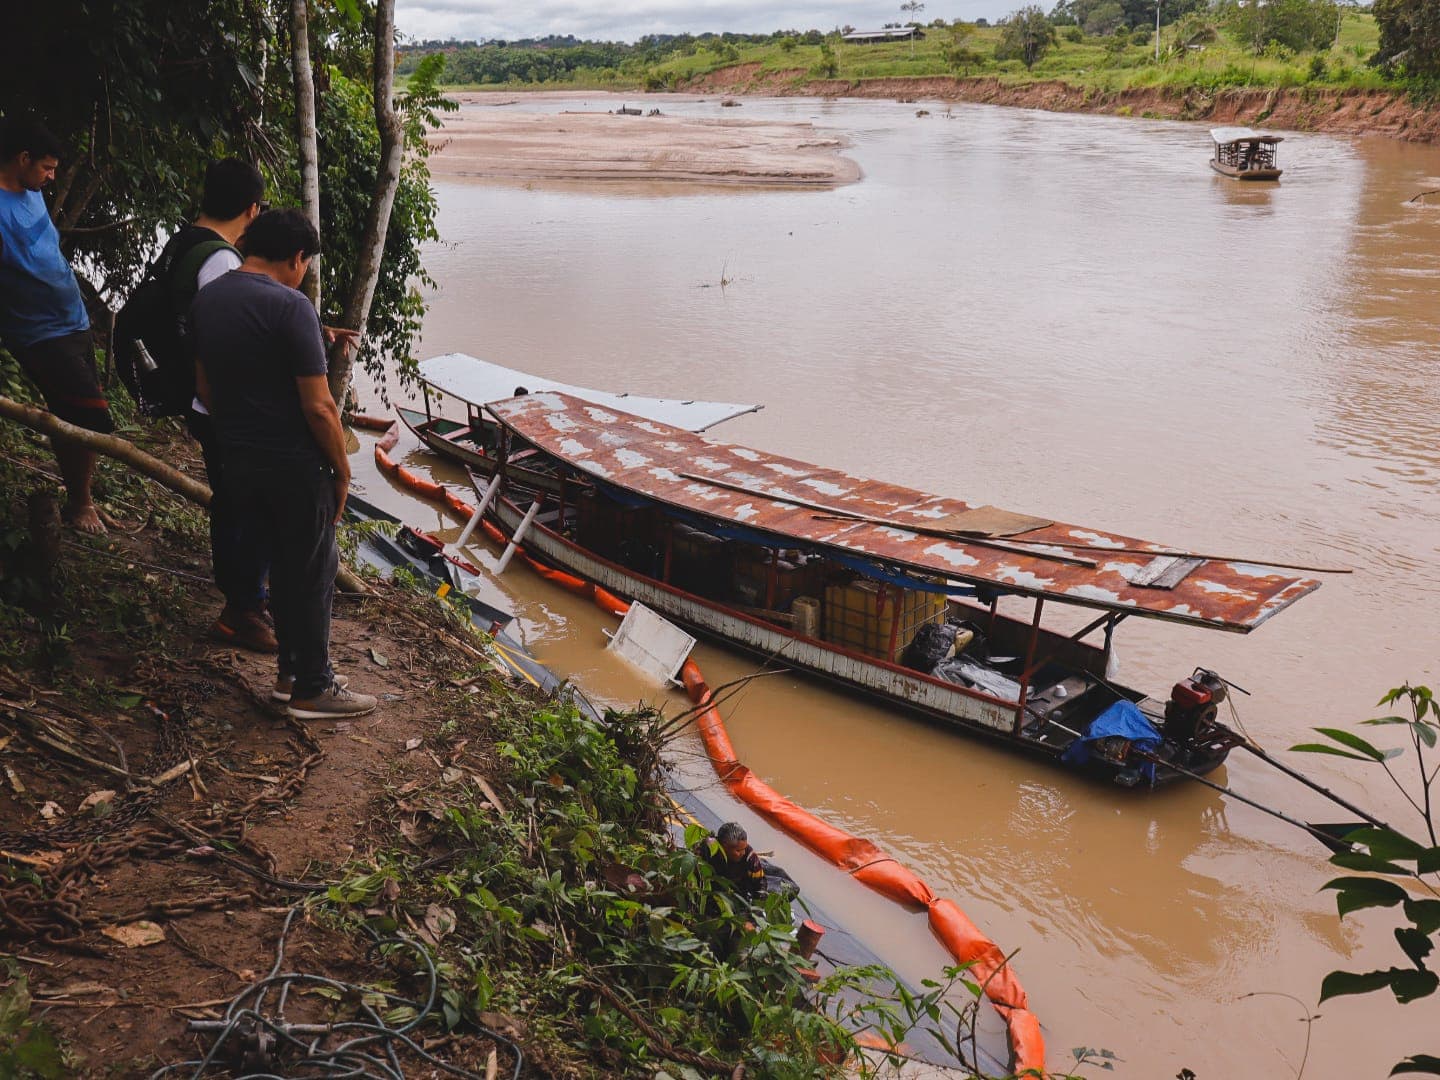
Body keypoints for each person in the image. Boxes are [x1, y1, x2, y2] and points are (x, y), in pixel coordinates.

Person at [189, 208, 376, 720]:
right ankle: (313, 687)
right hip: (294, 464)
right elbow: (319, 407)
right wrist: (340, 470)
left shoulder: (208, 299)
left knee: (280, 564)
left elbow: (205, 389)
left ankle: (291, 676)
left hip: (238, 460)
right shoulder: (290, 306)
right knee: (312, 570)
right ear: (297, 258)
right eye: (305, 264)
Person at [160, 158, 275, 652]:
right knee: (248, 508)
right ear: (252, 209)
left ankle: (245, 601)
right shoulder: (222, 263)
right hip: (223, 410)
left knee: (233, 503)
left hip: (196, 399)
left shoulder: (182, 241)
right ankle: (242, 611)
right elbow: (224, 342)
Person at [0, 116, 112, 534]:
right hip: (37, 333)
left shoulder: (30, 191)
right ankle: (81, 504)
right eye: (46, 168)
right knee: (85, 417)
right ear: (23, 158)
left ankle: (80, 498)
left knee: (77, 414)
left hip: (73, 320)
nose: (50, 177)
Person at [699, 821, 768, 902]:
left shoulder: (750, 857)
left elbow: (760, 883)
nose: (743, 853)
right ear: (724, 846)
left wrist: (758, 905)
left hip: (737, 894)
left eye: (744, 848)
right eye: (738, 850)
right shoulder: (707, 848)